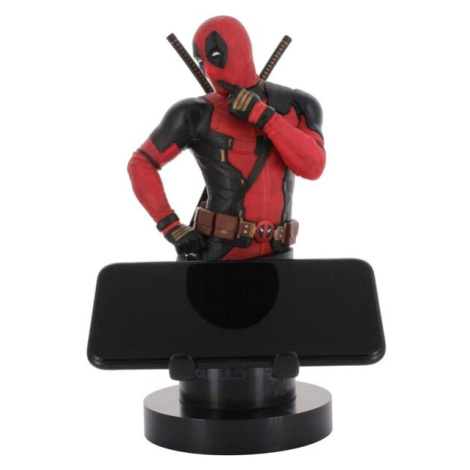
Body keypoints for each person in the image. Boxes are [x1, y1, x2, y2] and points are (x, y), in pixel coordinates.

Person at [128, 16, 326, 261]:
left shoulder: (298, 105)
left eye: (215, 56)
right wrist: (169, 224)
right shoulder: (194, 113)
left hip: (279, 258)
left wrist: (264, 117)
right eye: (201, 62)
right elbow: (140, 163)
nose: (209, 71)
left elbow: (313, 167)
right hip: (216, 255)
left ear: (242, 49)